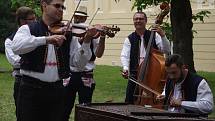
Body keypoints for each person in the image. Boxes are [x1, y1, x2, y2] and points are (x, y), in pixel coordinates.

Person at [11, 0, 97, 121]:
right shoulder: (28, 28)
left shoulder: (68, 32)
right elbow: (16, 47)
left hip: (57, 90)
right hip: (31, 90)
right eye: (57, 6)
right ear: (44, 5)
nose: (61, 9)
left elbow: (79, 64)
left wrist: (87, 40)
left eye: (63, 7)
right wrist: (46, 39)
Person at [63, 6, 106, 121]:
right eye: (76, 17)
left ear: (85, 19)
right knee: (64, 108)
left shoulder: (92, 33)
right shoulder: (67, 31)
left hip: (86, 75)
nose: (78, 20)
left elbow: (99, 54)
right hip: (69, 74)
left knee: (85, 109)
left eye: (81, 18)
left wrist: (102, 37)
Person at [120, 11, 171, 104]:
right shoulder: (129, 39)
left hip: (153, 75)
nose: (138, 21)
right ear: (133, 21)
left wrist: (163, 35)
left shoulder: (155, 35)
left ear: (146, 21)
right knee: (128, 103)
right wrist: (126, 68)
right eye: (136, 19)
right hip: (135, 77)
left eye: (141, 19)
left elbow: (167, 50)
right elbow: (125, 56)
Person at [4, 6, 36, 117]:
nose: (35, 22)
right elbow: (15, 61)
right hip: (22, 81)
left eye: (35, 19)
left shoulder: (36, 35)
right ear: (22, 21)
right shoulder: (10, 41)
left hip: (38, 81)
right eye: (32, 19)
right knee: (23, 114)